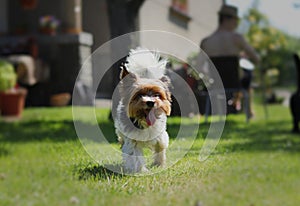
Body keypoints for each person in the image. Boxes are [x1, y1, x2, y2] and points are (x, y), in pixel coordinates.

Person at [200, 4, 260, 116]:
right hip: (235, 82)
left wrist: (209, 77)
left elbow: (199, 66)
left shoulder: (206, 42)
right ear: (228, 19)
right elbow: (256, 59)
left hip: (216, 83)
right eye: (236, 20)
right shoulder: (236, 38)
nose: (237, 24)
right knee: (248, 74)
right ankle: (248, 110)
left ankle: (225, 107)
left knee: (221, 81)